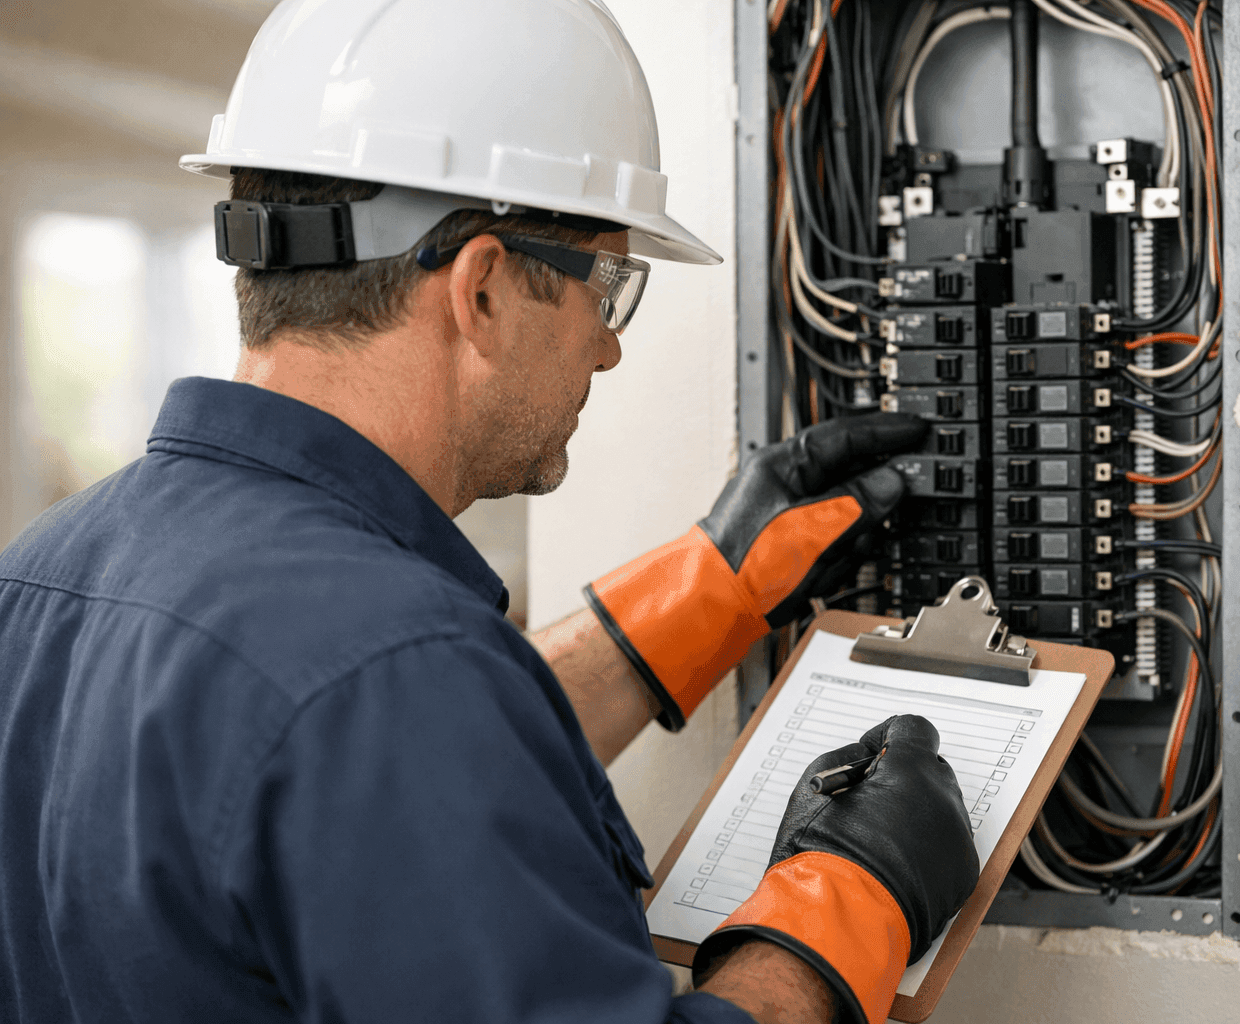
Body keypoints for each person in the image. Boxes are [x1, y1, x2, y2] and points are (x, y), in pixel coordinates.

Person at [0, 2, 979, 1022]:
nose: (608, 346)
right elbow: (381, 729)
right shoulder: (392, 668)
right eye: (608, 285)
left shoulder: (39, 580)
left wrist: (701, 588)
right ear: (482, 289)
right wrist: (844, 904)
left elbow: (356, 795)